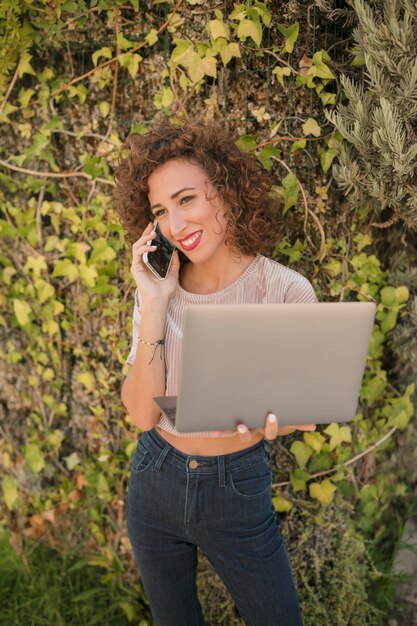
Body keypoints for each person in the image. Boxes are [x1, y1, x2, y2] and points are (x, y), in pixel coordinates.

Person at [114, 121, 318, 626]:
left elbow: (304, 410)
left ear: (226, 192)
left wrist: (278, 422)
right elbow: (142, 414)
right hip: (155, 477)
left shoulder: (286, 291)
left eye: (186, 199)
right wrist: (156, 302)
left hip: (239, 487)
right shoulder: (158, 290)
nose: (175, 223)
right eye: (161, 211)